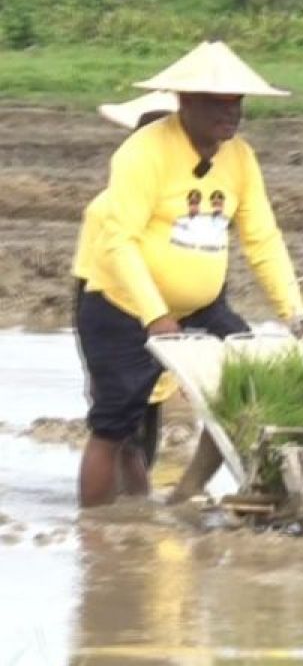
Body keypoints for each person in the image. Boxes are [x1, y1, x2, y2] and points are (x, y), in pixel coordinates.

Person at [76, 41, 303, 508]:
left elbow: (262, 239)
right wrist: (155, 316)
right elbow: (120, 240)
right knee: (117, 421)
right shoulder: (144, 153)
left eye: (237, 102)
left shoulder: (239, 158)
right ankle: (96, 534)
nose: (232, 113)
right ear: (185, 102)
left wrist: (295, 313)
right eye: (219, 103)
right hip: (123, 307)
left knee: (246, 386)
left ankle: (185, 491)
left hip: (200, 307)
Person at [73, 91, 178, 481]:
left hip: (161, 337)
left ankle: (131, 507)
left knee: (140, 437)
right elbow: (87, 288)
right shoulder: (108, 206)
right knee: (124, 438)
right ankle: (120, 518)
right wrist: (96, 365)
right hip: (121, 338)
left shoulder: (178, 204)